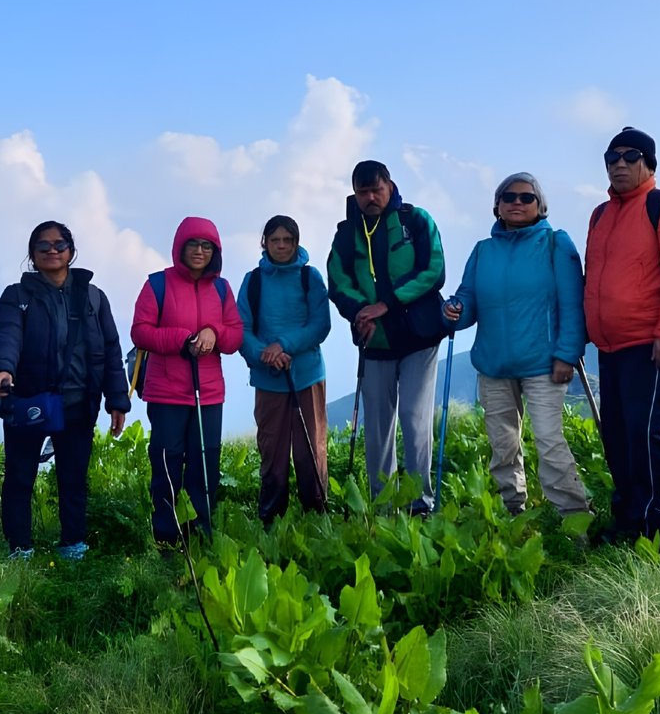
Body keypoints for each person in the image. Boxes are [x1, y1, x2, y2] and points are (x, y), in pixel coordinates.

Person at [444, 173, 591, 519]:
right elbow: (468, 300)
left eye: (527, 197)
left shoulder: (556, 243)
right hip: (494, 364)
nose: (517, 203)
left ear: (540, 205)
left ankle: (574, 517)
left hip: (545, 364)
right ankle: (512, 511)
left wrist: (567, 354)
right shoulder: (483, 250)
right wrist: (454, 310)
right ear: (496, 206)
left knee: (549, 441)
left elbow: (573, 303)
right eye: (508, 197)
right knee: (502, 445)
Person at [584, 127, 660, 545]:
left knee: (646, 430)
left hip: (651, 344)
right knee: (616, 432)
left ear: (648, 164)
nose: (619, 163)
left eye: (630, 156)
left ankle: (655, 525)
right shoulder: (600, 214)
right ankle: (628, 518)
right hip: (610, 345)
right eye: (611, 157)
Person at [0, 222, 129, 561]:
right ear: (32, 254)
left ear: (71, 251)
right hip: (28, 401)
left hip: (79, 402)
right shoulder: (17, 296)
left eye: (59, 244)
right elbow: (5, 335)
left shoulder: (94, 297)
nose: (52, 250)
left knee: (73, 477)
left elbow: (111, 348)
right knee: (20, 477)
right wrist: (1, 369)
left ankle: (73, 547)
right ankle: (20, 548)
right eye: (43, 245)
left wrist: (117, 399)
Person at [326, 160, 447, 514]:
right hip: (374, 341)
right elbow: (337, 282)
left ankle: (420, 504)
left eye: (376, 189)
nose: (370, 197)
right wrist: (361, 311)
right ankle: (382, 507)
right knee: (377, 427)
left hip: (420, 337)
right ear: (354, 194)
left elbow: (434, 271)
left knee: (413, 417)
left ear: (390, 187)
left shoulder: (416, 219)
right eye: (362, 192)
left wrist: (386, 304)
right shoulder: (346, 233)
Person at [131, 218, 243, 544]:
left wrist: (214, 332)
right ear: (180, 247)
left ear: (215, 251)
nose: (199, 251)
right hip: (166, 392)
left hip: (208, 394)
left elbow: (235, 336)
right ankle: (167, 537)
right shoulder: (157, 285)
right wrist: (181, 339)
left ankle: (202, 536)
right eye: (192, 244)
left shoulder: (222, 289)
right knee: (167, 465)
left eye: (207, 246)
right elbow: (140, 331)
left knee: (205, 466)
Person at [236, 215, 331, 524]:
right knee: (272, 454)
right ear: (264, 242)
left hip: (306, 376)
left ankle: (316, 517)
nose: (280, 246)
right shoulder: (253, 281)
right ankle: (271, 521)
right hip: (269, 379)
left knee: (309, 452)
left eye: (287, 240)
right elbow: (241, 329)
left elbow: (320, 324)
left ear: (296, 243)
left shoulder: (310, 277)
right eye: (274, 240)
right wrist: (265, 353)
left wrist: (284, 345)